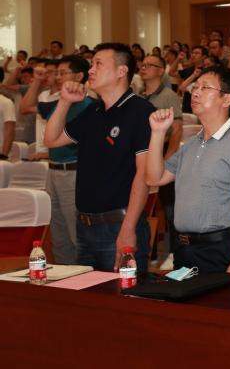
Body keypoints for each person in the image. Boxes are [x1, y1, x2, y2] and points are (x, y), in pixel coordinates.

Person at [44, 43, 154, 273]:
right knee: (91, 294)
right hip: (84, 226)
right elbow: (51, 140)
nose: (91, 70)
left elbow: (143, 175)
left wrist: (128, 229)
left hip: (118, 225)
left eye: (98, 64)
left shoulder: (141, 111)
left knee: (125, 294)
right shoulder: (93, 111)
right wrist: (65, 101)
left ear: (121, 71)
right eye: (91, 64)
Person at [146, 67, 230, 274]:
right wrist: (157, 133)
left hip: (219, 250)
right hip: (183, 249)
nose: (195, 93)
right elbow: (155, 178)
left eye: (205, 88)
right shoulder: (191, 144)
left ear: (226, 100)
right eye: (195, 87)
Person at [21, 56, 91, 264]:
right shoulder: (58, 103)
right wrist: (37, 80)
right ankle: (64, 275)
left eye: (63, 73)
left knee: (76, 232)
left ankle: (83, 276)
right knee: (58, 233)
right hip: (52, 172)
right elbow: (26, 107)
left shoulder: (90, 105)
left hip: (74, 172)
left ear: (79, 76)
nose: (58, 77)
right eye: (57, 73)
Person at [136, 54, 183, 256]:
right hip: (142, 152)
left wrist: (166, 160)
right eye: (142, 64)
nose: (144, 68)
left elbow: (177, 130)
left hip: (163, 152)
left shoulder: (168, 95)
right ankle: (150, 253)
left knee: (169, 208)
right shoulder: (137, 94)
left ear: (161, 71)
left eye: (149, 65)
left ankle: (173, 253)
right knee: (146, 206)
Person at [178, 45, 209, 113]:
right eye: (193, 53)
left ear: (204, 56)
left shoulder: (207, 73)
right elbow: (182, 87)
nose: (193, 55)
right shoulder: (189, 70)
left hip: (201, 106)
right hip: (187, 104)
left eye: (197, 53)